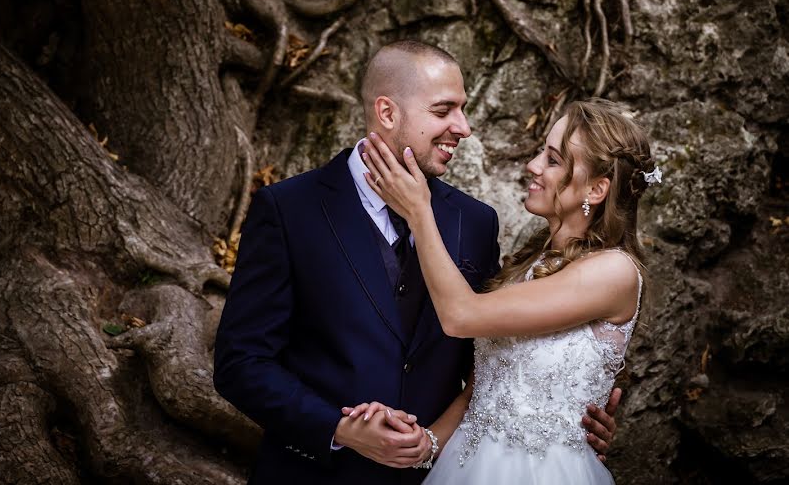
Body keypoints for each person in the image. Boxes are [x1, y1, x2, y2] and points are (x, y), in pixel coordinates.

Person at [213, 41, 619, 484]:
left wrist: (567, 415)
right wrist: (339, 429)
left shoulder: (475, 221)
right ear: (387, 113)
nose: (462, 127)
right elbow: (241, 364)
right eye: (444, 110)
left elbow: (486, 356)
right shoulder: (289, 209)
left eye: (462, 110)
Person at [353, 97, 658, 483]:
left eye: (553, 159)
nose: (532, 166)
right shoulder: (529, 266)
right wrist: (427, 443)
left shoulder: (614, 272)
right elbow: (482, 391)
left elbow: (461, 316)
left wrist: (418, 211)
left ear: (596, 190)